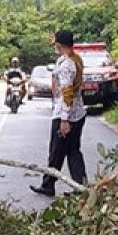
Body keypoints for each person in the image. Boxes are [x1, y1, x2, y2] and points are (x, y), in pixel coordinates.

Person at [30, 30, 87, 197]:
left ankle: (49, 185)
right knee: (73, 151)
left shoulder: (66, 65)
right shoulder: (76, 59)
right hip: (78, 113)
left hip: (66, 115)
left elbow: (67, 93)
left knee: (56, 152)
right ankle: (80, 187)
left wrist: (64, 120)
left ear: (59, 45)